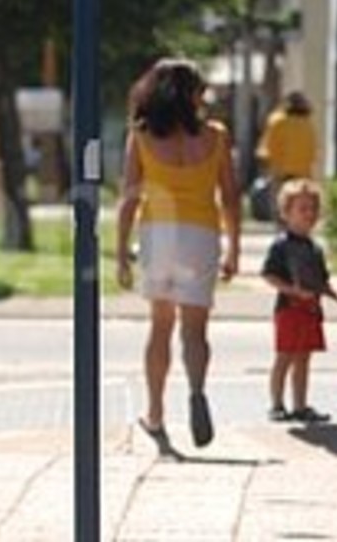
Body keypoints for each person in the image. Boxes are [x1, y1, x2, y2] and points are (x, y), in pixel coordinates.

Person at [116, 58, 241, 454]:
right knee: (195, 330)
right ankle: (197, 390)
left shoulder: (141, 135)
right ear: (193, 95)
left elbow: (128, 198)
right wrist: (234, 248)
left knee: (160, 326)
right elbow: (231, 196)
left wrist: (120, 252)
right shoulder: (216, 136)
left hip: (158, 235)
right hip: (201, 236)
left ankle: (155, 413)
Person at [261, 178, 333, 424]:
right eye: (302, 209)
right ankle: (276, 404)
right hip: (289, 309)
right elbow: (269, 275)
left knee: (304, 358)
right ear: (286, 213)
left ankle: (300, 405)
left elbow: (322, 282)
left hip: (311, 310)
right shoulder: (281, 245)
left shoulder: (315, 248)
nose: (309, 214)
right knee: (285, 356)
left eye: (313, 208)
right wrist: (292, 291)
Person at [254, 91, 317, 221]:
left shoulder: (277, 120)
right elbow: (313, 151)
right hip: (303, 174)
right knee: (302, 210)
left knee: (282, 210)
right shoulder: (308, 124)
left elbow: (266, 149)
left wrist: (265, 164)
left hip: (282, 174)